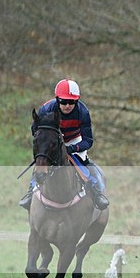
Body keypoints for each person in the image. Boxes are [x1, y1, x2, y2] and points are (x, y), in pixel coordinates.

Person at [18, 79, 109, 210]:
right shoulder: (46, 109)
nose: (67, 105)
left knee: (82, 160)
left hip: (74, 139)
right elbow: (35, 130)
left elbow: (88, 141)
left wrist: (71, 148)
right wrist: (47, 143)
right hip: (52, 138)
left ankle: (97, 192)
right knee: (42, 161)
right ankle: (30, 193)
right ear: (57, 100)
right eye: (63, 101)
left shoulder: (83, 112)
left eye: (71, 102)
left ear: (76, 101)